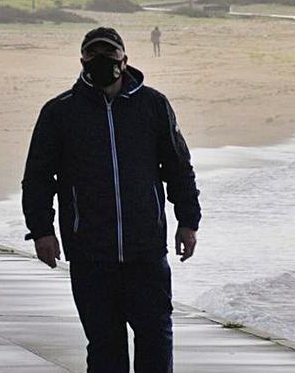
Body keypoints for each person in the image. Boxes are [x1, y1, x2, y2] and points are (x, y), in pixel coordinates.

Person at [21, 27, 201, 373]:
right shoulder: (59, 113)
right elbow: (38, 179)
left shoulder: (153, 105)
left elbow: (179, 168)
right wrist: (42, 231)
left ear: (125, 59)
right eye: (93, 54)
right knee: (105, 348)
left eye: (109, 53)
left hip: (146, 251)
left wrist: (188, 222)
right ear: (82, 60)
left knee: (155, 340)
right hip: (90, 253)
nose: (102, 60)